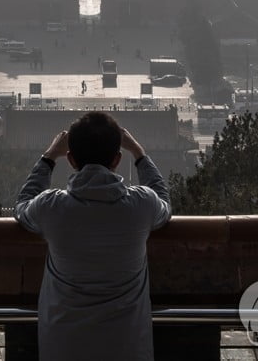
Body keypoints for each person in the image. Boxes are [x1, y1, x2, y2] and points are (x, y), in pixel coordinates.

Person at [14, 111, 172, 361]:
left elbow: (22, 206)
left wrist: (48, 157)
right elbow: (163, 201)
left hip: (63, 347)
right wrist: (139, 153)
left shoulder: (52, 207)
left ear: (71, 159)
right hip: (128, 347)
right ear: (117, 159)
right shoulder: (141, 205)